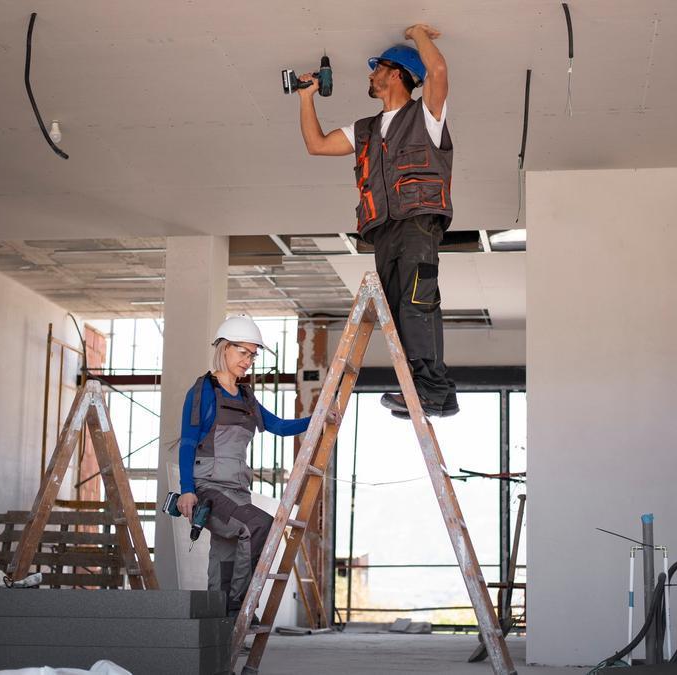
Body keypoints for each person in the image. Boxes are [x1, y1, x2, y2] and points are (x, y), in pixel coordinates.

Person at [297, 23, 458, 419]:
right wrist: (306, 98)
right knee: (397, 313)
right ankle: (429, 390)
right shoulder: (365, 130)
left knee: (416, 303)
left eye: (378, 68)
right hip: (383, 230)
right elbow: (317, 145)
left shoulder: (427, 115)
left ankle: (433, 390)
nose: (371, 75)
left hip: (418, 222)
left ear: (398, 74)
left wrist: (418, 34)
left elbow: (437, 73)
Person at [176, 315, 338, 618]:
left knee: (223, 561)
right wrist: (187, 490)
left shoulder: (247, 397)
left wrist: (318, 419)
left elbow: (277, 425)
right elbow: (187, 443)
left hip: (238, 491)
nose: (249, 360)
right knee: (260, 525)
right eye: (243, 352)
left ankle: (220, 625)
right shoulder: (202, 392)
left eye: (253, 354)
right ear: (224, 348)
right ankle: (241, 607)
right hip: (209, 488)